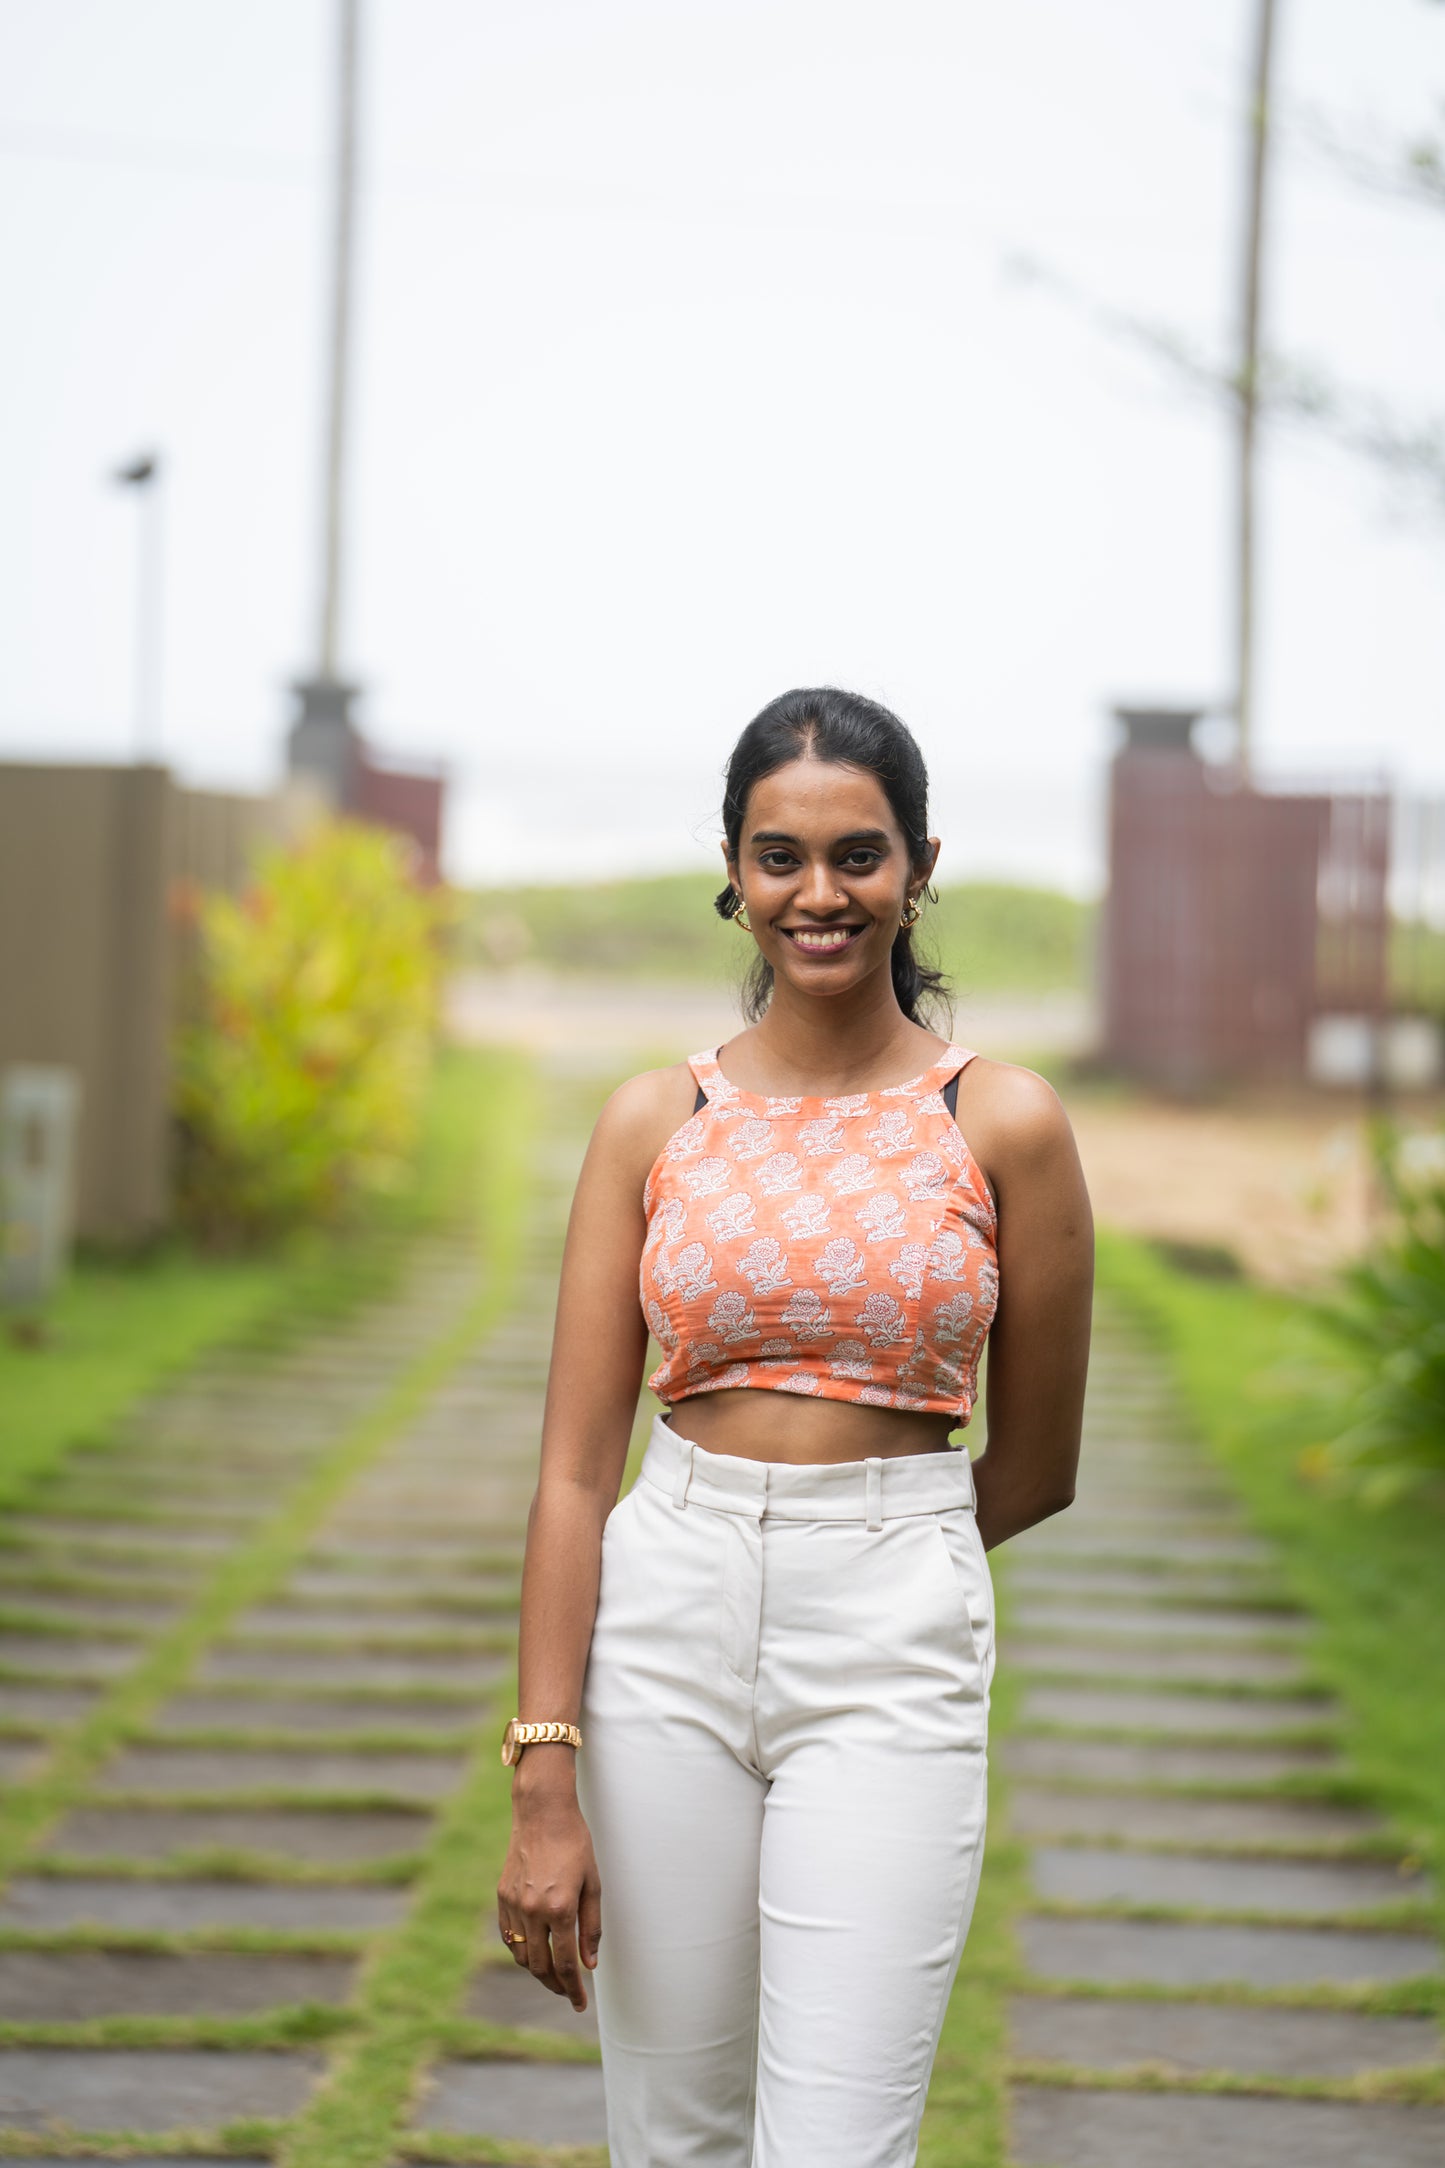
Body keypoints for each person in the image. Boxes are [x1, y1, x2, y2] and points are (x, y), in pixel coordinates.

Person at [496, 687, 1093, 2166]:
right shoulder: (655, 1121)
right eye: (779, 858)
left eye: (856, 856)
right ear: (732, 868)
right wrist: (542, 1771)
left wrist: (875, 1544)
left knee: (836, 2142)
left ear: (920, 863)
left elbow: (1035, 1463)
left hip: (889, 1635)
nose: (817, 895)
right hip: (664, 1617)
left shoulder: (999, 1122)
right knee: (673, 2134)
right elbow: (576, 1475)